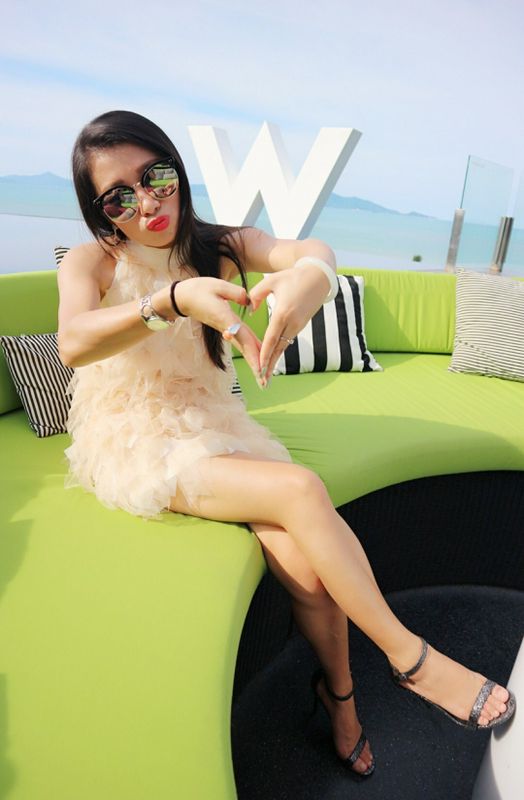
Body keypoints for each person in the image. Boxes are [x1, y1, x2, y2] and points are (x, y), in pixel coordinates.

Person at [57, 110, 516, 780]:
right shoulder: (95, 261)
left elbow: (309, 250)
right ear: (100, 213)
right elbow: (72, 341)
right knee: (301, 489)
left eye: (155, 176)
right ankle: (411, 659)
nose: (147, 203)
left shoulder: (220, 242)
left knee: (306, 568)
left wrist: (314, 278)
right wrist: (173, 300)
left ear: (177, 169)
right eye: (119, 196)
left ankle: (340, 700)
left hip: (215, 422)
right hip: (138, 438)